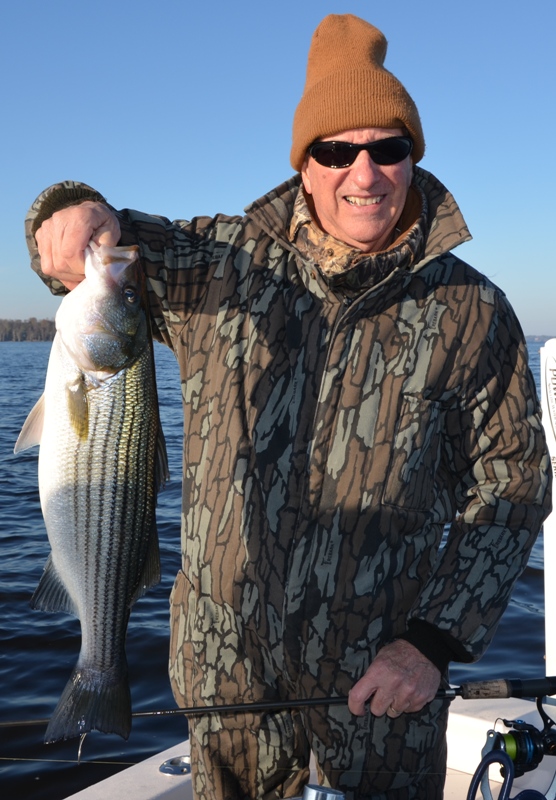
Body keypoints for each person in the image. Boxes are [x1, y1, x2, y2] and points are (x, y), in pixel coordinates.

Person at [26, 13, 551, 800]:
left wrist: (434, 643)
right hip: (226, 688)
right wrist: (70, 214)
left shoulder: (475, 312)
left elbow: (512, 493)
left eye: (389, 148)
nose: (364, 172)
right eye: (337, 150)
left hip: (384, 695)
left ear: (414, 159)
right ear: (304, 166)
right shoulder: (218, 264)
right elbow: (96, 249)